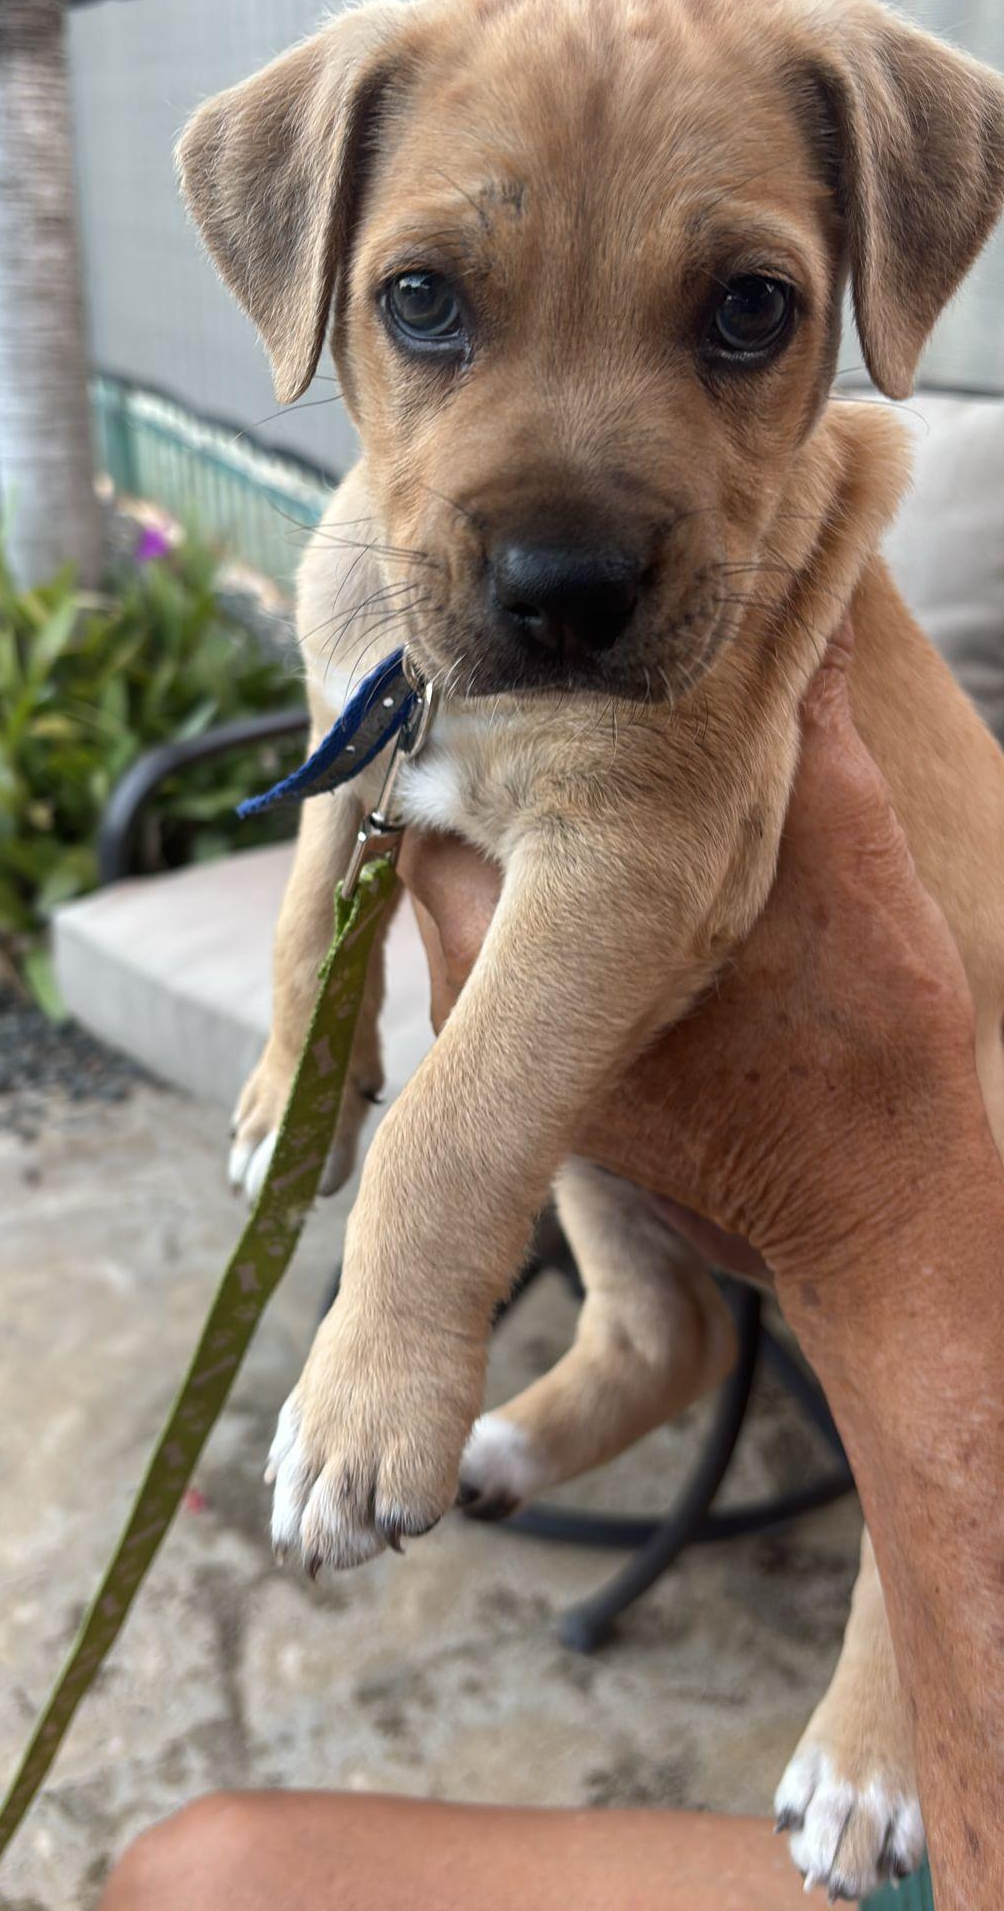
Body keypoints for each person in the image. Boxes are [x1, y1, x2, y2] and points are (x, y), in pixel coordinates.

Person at [100, 635, 1004, 1910]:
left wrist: (413, 1273)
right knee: (183, 1870)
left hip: (946, 1111)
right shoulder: (380, 572)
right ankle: (634, 1347)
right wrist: (311, 1010)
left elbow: (631, 853)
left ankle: (893, 1672)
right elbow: (354, 730)